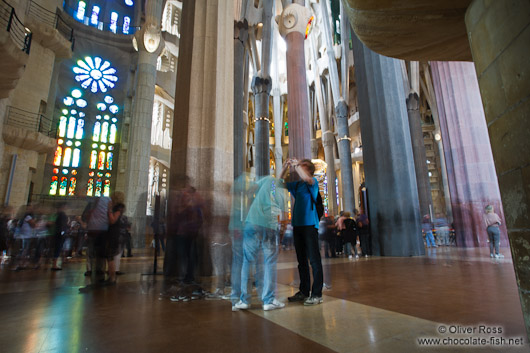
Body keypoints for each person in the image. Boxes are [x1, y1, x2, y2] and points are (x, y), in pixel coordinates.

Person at [234, 175, 287, 311]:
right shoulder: (282, 192)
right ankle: (268, 301)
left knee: (247, 261)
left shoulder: (269, 180)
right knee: (269, 262)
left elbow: (251, 189)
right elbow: (284, 217)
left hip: (252, 222)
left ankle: (244, 300)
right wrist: (280, 238)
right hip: (270, 224)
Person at [283, 158, 324, 306]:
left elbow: (306, 178)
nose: (299, 168)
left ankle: (317, 293)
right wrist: (284, 168)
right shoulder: (297, 185)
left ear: (309, 170)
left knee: (314, 260)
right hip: (298, 225)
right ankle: (304, 291)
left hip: (310, 225)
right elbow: (276, 185)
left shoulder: (312, 182)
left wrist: (296, 165)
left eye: (303, 166)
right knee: (301, 261)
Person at [51, 203, 68, 270]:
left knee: (57, 248)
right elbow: (62, 225)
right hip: (60, 233)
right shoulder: (62, 215)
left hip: (58, 232)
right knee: (58, 248)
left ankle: (54, 264)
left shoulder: (58, 214)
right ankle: (54, 265)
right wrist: (63, 232)